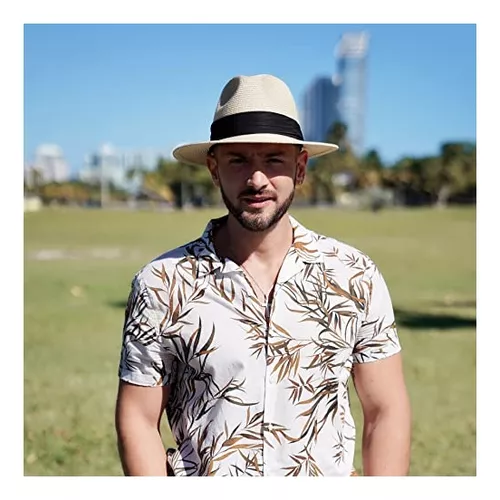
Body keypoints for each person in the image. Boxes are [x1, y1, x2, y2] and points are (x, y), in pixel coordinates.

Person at [115, 74, 411, 477]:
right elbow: (137, 418)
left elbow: (385, 410)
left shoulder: (353, 274)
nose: (257, 180)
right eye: (238, 160)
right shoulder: (162, 283)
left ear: (300, 167)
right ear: (214, 169)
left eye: (273, 159)